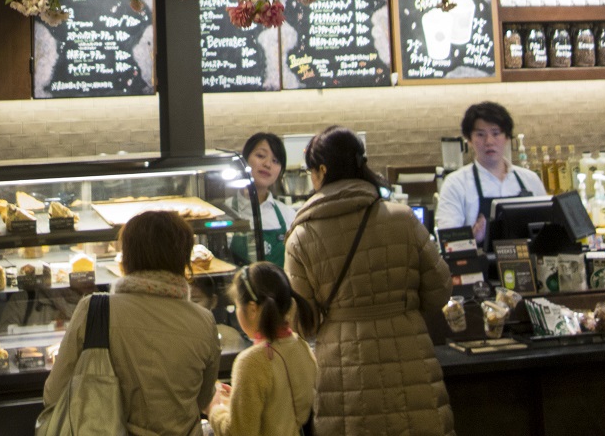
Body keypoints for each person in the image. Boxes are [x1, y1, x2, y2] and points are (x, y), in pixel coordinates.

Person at [285, 126, 454, 436]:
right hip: (409, 358)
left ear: (322, 171)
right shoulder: (402, 218)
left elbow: (303, 321)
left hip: (343, 371)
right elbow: (440, 289)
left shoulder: (301, 236)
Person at [43, 210, 220, 436]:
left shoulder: (94, 310)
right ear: (184, 261)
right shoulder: (204, 322)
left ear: (126, 259)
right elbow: (203, 399)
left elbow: (53, 394)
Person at [207, 261, 317, 436]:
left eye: (237, 305)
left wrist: (214, 408)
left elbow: (238, 432)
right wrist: (238, 400)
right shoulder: (301, 346)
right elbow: (284, 407)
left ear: (252, 309)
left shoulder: (252, 361)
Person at [433, 101, 546, 244]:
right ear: (469, 140)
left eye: (496, 133)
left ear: (507, 138)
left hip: (529, 258)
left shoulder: (530, 180)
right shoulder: (455, 183)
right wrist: (473, 238)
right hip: (479, 259)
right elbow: (446, 241)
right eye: (480, 134)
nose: (489, 141)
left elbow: (547, 231)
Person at [231, 132, 296, 267]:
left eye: (275, 161)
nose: (267, 164)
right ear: (244, 160)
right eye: (260, 156)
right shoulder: (224, 212)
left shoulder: (289, 216)